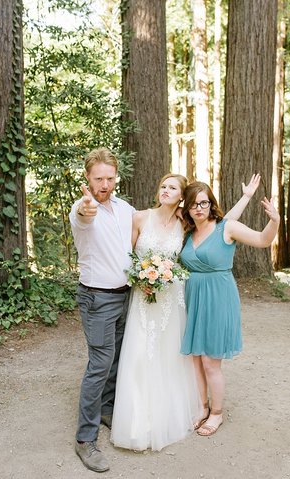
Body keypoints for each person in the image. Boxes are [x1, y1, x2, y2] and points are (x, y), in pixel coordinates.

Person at [110, 173, 260, 452]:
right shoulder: (140, 218)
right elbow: (126, 257)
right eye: (162, 186)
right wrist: (138, 279)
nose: (165, 190)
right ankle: (138, 415)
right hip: (143, 298)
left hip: (174, 298)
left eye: (172, 188)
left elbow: (222, 226)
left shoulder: (185, 222)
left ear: (182, 198)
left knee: (175, 355)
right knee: (140, 354)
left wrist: (247, 198)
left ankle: (191, 409)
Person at [178, 181, 279, 437]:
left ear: (211, 204)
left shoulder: (227, 228)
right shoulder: (187, 233)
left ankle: (217, 413)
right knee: (196, 359)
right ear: (187, 208)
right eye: (193, 204)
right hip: (194, 297)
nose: (199, 208)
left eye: (204, 202)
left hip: (218, 298)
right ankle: (202, 407)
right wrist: (244, 197)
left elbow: (262, 239)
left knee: (211, 361)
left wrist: (274, 221)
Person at [70, 148, 135, 473]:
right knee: (99, 364)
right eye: (99, 179)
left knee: (117, 358)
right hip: (97, 298)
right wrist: (86, 208)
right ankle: (85, 439)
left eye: (110, 178)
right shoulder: (82, 208)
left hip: (127, 296)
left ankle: (106, 409)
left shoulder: (125, 209)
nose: (105, 184)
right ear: (88, 178)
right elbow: (84, 217)